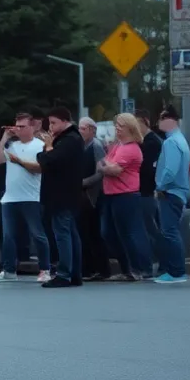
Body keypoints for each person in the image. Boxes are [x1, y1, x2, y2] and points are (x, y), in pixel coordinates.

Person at [0, 112, 51, 283]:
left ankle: (45, 269)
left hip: (32, 197)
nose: (19, 129)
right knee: (8, 236)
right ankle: (8, 270)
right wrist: (4, 138)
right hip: (10, 198)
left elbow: (40, 168)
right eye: (17, 126)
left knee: (37, 234)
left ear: (32, 127)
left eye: (22, 126)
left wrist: (19, 161)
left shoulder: (39, 145)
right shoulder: (11, 145)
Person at [30, 107, 85, 288]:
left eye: (54, 123)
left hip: (61, 194)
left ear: (64, 121)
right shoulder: (71, 139)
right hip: (67, 194)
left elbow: (47, 160)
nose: (51, 127)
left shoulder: (69, 140)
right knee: (70, 233)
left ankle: (64, 274)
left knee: (62, 234)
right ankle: (74, 274)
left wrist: (47, 146)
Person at [99, 113, 153, 280]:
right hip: (111, 194)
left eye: (120, 125)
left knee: (130, 233)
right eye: (116, 125)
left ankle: (138, 269)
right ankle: (127, 269)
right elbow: (101, 163)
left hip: (126, 195)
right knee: (109, 232)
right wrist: (105, 165)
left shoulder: (131, 148)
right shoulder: (117, 146)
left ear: (129, 128)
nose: (117, 128)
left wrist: (105, 165)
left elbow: (113, 169)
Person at [153, 106, 190, 284]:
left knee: (170, 232)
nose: (158, 122)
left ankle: (176, 272)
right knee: (172, 231)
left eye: (161, 118)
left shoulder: (171, 143)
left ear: (171, 120)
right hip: (178, 192)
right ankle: (176, 270)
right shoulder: (180, 140)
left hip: (170, 192)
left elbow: (170, 169)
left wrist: (160, 185)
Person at [78, 117, 111, 281]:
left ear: (92, 130)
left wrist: (84, 182)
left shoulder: (96, 146)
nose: (80, 131)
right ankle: (88, 268)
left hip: (94, 196)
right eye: (79, 128)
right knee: (85, 233)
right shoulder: (81, 146)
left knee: (94, 233)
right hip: (83, 196)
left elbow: (101, 171)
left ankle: (101, 268)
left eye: (83, 128)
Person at [135, 110, 164, 274]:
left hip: (147, 191)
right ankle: (159, 263)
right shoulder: (147, 141)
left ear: (145, 123)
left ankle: (161, 263)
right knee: (149, 229)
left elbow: (147, 168)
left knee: (150, 230)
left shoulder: (152, 142)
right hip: (144, 191)